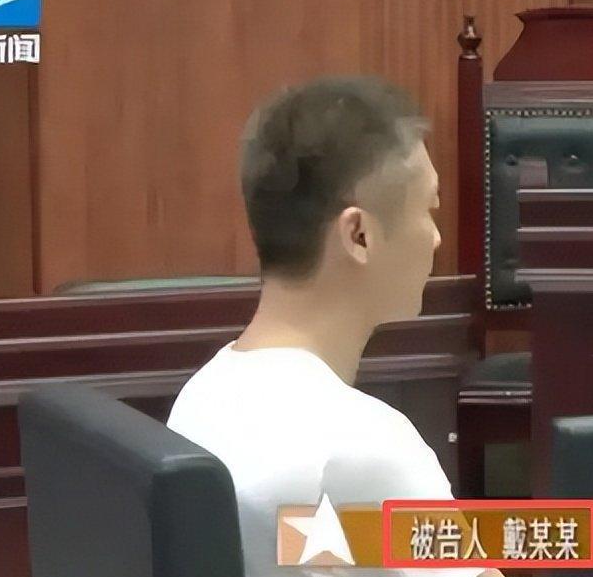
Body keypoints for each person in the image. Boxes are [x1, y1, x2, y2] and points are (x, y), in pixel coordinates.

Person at [167, 77, 496, 577]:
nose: (436, 238)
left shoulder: (200, 399)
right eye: (428, 210)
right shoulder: (367, 448)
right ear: (359, 235)